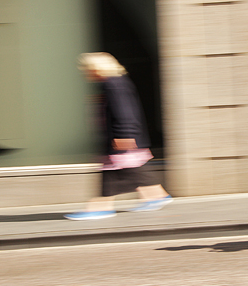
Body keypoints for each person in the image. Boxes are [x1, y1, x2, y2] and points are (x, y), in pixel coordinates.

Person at [65, 52, 171, 220]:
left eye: (86, 68)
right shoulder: (114, 82)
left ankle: (101, 206)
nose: (85, 72)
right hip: (120, 139)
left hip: (121, 140)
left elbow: (125, 112)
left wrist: (124, 135)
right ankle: (156, 194)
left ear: (96, 69)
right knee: (130, 169)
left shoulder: (113, 84)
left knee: (115, 171)